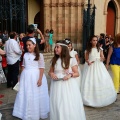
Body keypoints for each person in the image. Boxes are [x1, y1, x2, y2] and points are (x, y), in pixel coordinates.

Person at [13, 38, 49, 120]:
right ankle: (25, 111)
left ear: (34, 45)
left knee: (34, 93)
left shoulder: (39, 55)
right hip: (26, 76)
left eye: (30, 45)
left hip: (35, 76)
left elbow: (41, 68)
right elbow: (23, 66)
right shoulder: (25, 55)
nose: (28, 47)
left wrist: (40, 79)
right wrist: (20, 76)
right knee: (26, 93)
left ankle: (34, 112)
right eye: (27, 45)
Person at [48, 40, 86, 120]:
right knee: (57, 104)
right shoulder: (54, 60)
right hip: (56, 86)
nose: (55, 49)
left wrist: (70, 75)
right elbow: (50, 71)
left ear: (63, 48)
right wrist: (52, 74)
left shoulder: (71, 60)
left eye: (58, 47)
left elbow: (77, 73)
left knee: (66, 104)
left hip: (67, 86)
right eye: (55, 47)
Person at [81, 35, 117, 107]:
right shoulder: (88, 50)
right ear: (91, 41)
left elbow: (102, 57)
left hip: (99, 66)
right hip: (91, 67)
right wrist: (88, 62)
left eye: (96, 40)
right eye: (93, 40)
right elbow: (86, 59)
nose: (95, 42)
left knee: (100, 79)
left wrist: (102, 58)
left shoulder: (100, 49)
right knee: (90, 80)